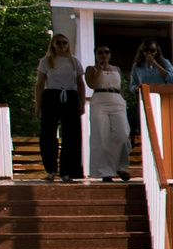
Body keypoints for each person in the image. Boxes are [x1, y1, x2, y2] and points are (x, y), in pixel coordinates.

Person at [36, 32, 83, 181]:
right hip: (51, 96)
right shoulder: (46, 61)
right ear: (53, 45)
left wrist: (81, 103)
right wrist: (38, 106)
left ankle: (67, 171)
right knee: (48, 134)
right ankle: (50, 169)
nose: (62, 45)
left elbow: (80, 84)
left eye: (64, 42)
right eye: (58, 43)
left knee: (71, 135)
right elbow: (39, 84)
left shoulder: (74, 61)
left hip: (70, 96)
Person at [81, 46, 130, 180]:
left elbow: (119, 87)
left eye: (106, 52)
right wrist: (100, 69)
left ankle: (121, 166)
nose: (103, 55)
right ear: (96, 55)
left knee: (122, 134)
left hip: (116, 100)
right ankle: (105, 171)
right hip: (100, 100)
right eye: (100, 52)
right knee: (102, 137)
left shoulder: (117, 69)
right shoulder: (91, 69)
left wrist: (122, 100)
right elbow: (92, 84)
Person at [124, 39, 173, 144]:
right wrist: (137, 88)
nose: (149, 53)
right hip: (145, 101)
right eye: (146, 50)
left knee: (162, 128)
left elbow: (172, 78)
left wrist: (155, 64)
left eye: (152, 50)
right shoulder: (137, 66)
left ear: (156, 51)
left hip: (161, 101)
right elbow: (132, 85)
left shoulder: (164, 63)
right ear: (142, 51)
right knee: (145, 128)